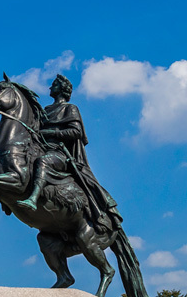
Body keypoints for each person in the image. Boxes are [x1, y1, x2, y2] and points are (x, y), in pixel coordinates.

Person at [17, 74, 122, 230]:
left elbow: (76, 132)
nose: (50, 87)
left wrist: (52, 133)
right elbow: (32, 132)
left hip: (60, 153)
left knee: (42, 162)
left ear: (62, 89)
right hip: (41, 148)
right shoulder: (45, 110)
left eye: (54, 84)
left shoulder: (70, 108)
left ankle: (33, 198)